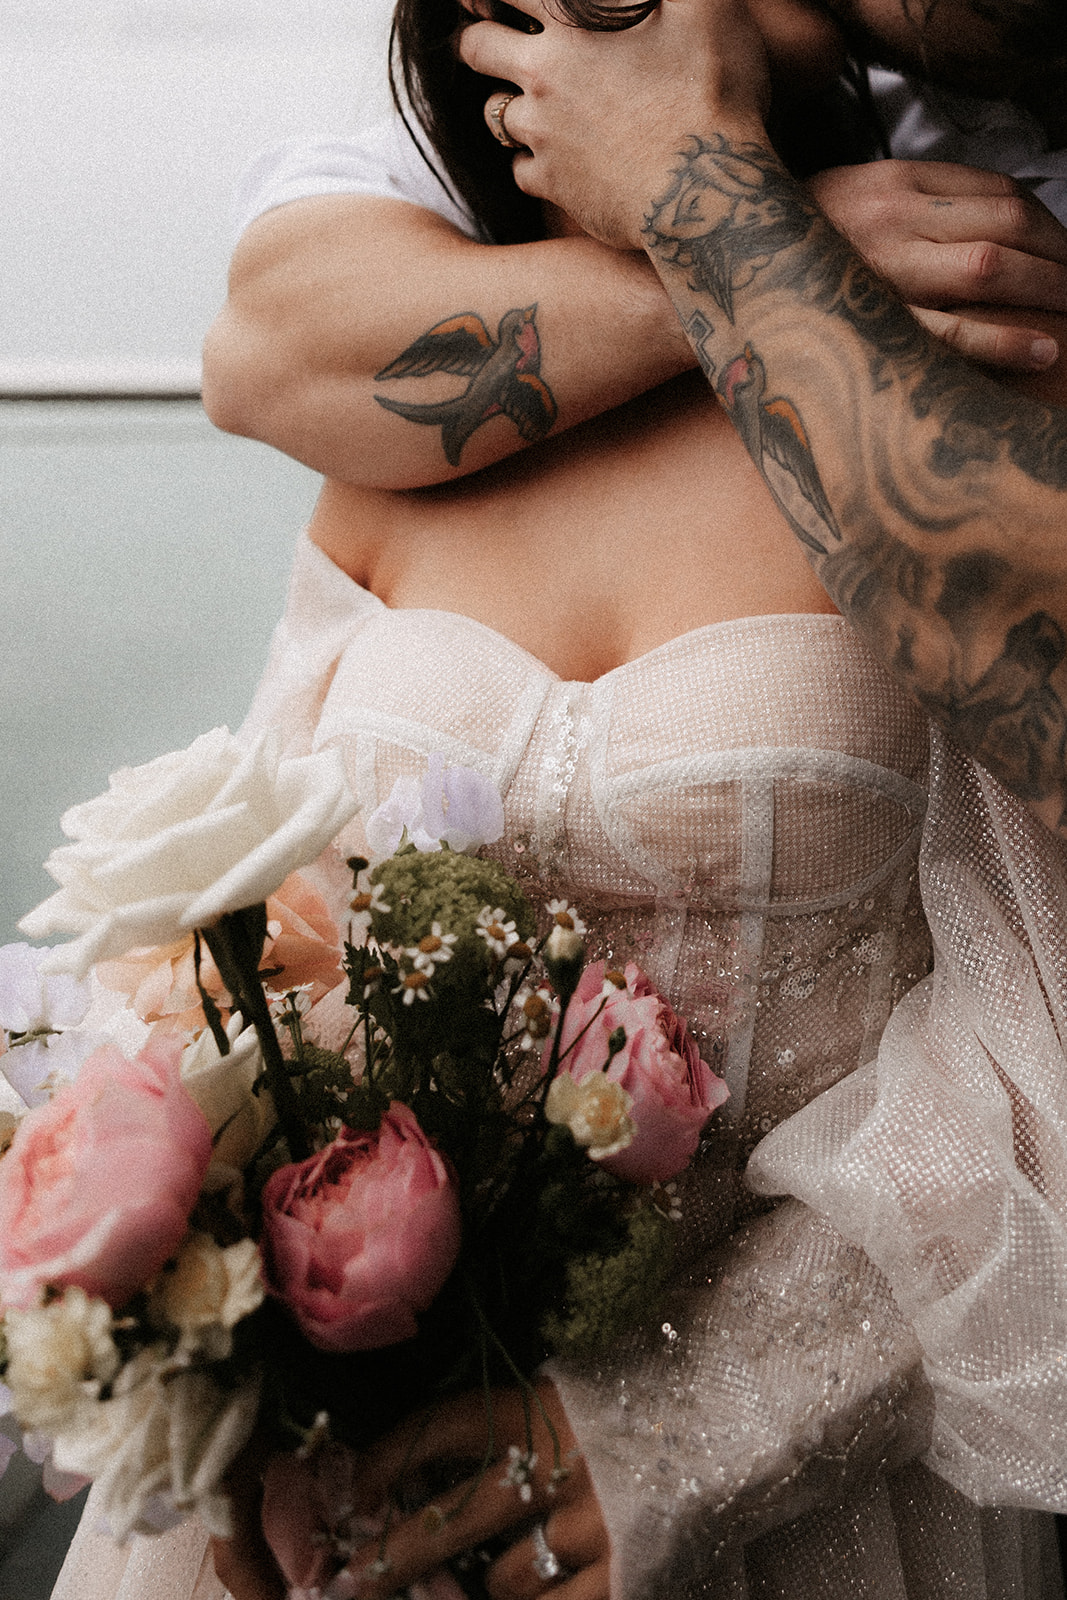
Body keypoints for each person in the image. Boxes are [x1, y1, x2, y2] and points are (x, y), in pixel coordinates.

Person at [51, 1, 1067, 1597]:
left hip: (778, 1500)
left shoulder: (972, 371)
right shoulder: (407, 409)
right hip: (333, 1471)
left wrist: (693, 1420)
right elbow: (238, 929)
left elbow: (1043, 1037)